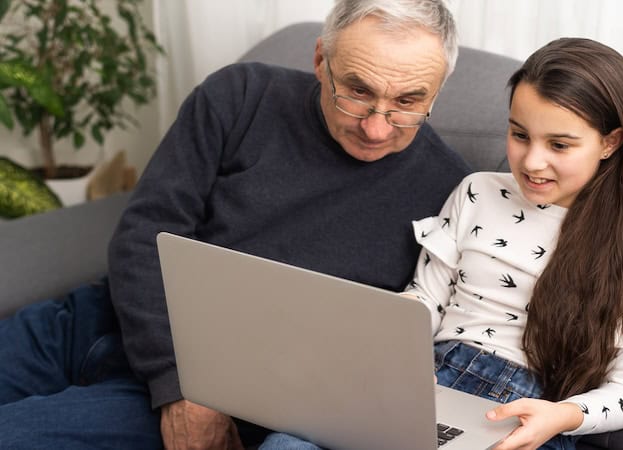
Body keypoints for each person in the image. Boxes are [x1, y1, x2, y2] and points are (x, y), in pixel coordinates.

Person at [0, 1, 469, 449]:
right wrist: (176, 383)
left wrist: (202, 394)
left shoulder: (452, 194)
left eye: (408, 102)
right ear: (321, 60)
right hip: (99, 320)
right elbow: (145, 231)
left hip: (219, 392)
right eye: (357, 92)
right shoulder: (240, 95)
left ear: (439, 91)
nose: (376, 128)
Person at [260, 38, 623, 450]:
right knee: (286, 441)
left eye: (559, 145)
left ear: (610, 142)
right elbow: (426, 296)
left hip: (525, 421)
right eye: (520, 135)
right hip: (426, 381)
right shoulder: (477, 192)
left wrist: (562, 417)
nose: (531, 161)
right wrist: (399, 355)